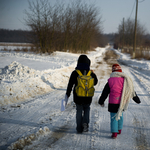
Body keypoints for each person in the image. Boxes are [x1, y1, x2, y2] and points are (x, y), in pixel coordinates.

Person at [98, 64, 141, 139]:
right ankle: (119, 129)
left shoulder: (110, 81)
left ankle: (114, 133)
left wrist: (101, 101)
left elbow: (105, 92)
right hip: (122, 102)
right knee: (120, 116)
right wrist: (136, 99)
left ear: (113, 71)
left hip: (113, 103)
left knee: (113, 117)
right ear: (120, 71)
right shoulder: (125, 80)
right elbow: (131, 90)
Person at [65, 55, 98, 133]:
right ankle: (85, 123)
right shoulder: (90, 73)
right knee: (87, 108)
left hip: (78, 96)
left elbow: (70, 85)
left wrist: (67, 95)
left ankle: (79, 129)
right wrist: (93, 74)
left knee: (79, 110)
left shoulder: (75, 73)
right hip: (88, 96)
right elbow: (95, 82)